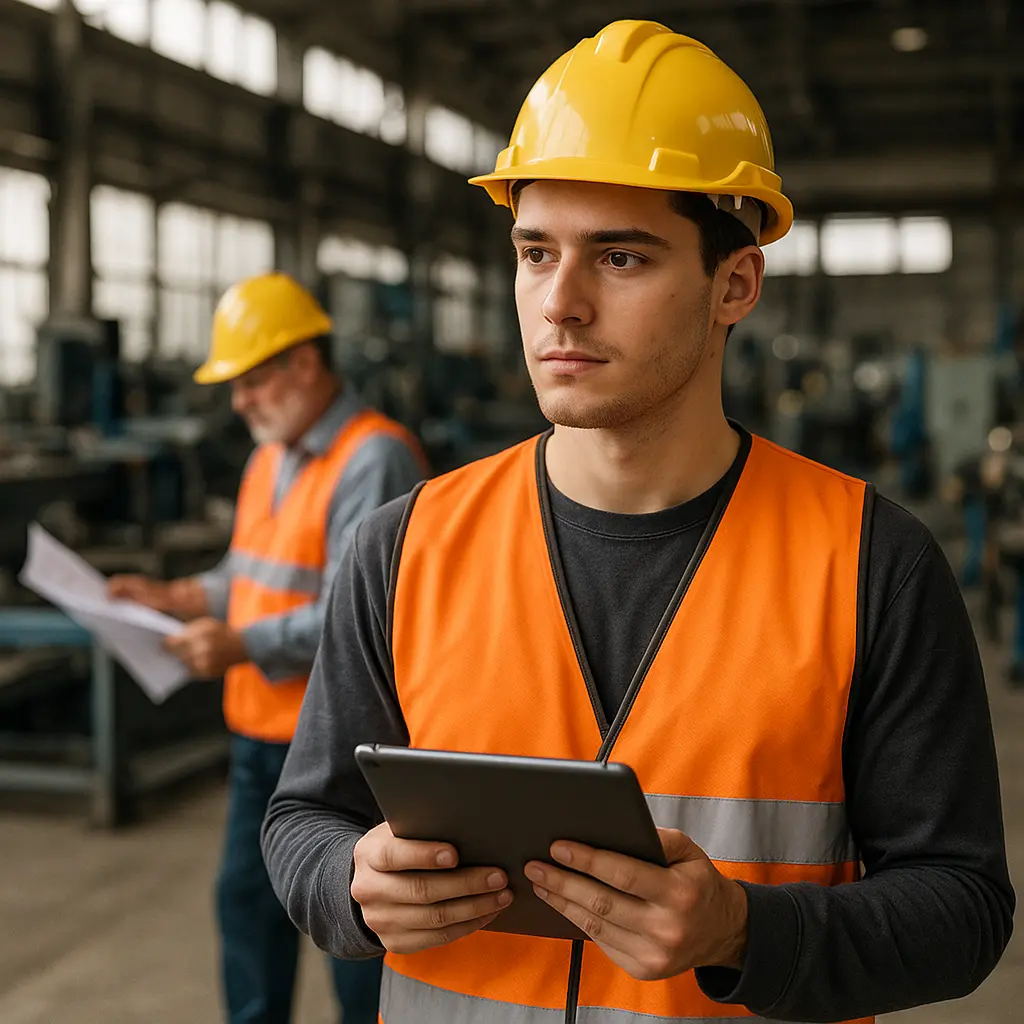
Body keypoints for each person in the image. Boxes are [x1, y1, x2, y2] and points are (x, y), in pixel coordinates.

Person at [261, 21, 1014, 1024]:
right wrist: (349, 880)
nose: (559, 304)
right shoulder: (406, 547)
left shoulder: (871, 562)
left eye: (619, 257)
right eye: (536, 252)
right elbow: (302, 818)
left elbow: (962, 907)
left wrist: (743, 931)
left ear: (734, 284)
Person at [109, 272, 427, 1024]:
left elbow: (361, 617)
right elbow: (247, 574)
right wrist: (176, 596)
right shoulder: (271, 456)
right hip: (260, 738)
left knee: (355, 930)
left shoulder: (374, 458)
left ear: (305, 364)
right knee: (248, 909)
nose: (239, 402)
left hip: (340, 748)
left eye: (251, 382)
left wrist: (240, 644)